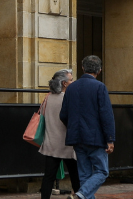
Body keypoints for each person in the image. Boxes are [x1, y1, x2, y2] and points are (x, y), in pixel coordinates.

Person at [59, 55, 114, 199]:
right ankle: (81, 194)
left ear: (83, 68)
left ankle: (80, 195)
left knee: (84, 174)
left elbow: (63, 114)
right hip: (96, 138)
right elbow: (106, 115)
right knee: (102, 172)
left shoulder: (71, 88)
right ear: (99, 70)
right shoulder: (100, 87)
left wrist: (72, 127)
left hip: (77, 137)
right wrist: (110, 139)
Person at [39, 69, 80, 199]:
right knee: (75, 175)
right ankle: (79, 196)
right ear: (64, 83)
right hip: (67, 143)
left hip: (51, 142)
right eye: (71, 79)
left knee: (48, 177)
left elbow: (42, 115)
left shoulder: (47, 98)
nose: (73, 81)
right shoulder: (69, 99)